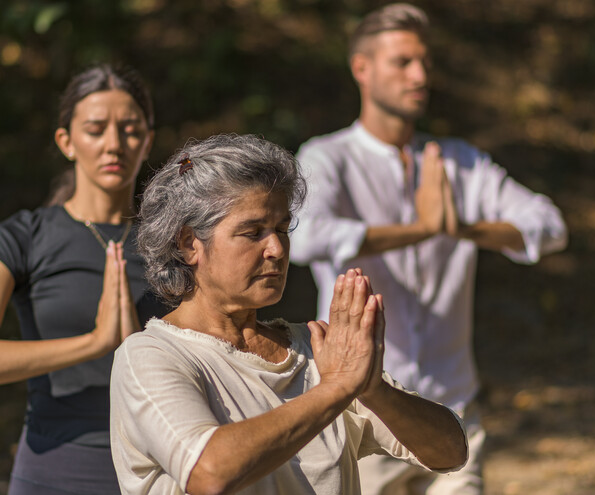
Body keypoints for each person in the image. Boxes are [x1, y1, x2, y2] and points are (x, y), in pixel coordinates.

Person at [289, 4, 569, 495]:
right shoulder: (326, 157)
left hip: (453, 412)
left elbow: (549, 225)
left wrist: (461, 227)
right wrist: (420, 228)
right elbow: (303, 236)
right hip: (362, 414)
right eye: (403, 62)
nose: (420, 76)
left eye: (425, 63)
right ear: (362, 69)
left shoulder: (460, 162)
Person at [109, 134, 468, 495]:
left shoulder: (316, 352)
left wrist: (372, 389)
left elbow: (450, 453)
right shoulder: (149, 357)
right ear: (189, 244)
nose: (277, 249)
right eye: (253, 233)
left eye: (282, 229)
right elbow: (209, 472)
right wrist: (336, 390)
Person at [0, 64, 166, 494]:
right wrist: (94, 344)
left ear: (148, 140)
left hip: (158, 470)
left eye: (131, 129)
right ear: (66, 141)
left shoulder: (175, 244)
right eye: (96, 129)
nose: (114, 144)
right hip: (53, 468)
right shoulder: (19, 237)